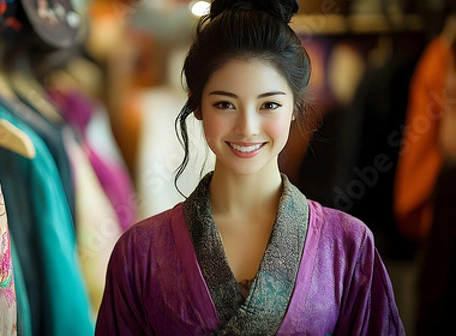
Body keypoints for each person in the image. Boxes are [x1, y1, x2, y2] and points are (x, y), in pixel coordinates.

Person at [95, 0, 405, 334]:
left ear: (295, 107)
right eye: (225, 104)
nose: (247, 127)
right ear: (197, 106)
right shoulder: (140, 252)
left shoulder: (347, 246)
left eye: (269, 104)